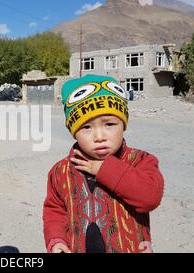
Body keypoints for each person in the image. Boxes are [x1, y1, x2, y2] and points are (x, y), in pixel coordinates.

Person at [43, 74, 164, 253]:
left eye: (109, 124)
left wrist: (105, 169)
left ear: (123, 124)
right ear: (73, 131)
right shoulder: (61, 171)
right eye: (86, 127)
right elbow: (55, 209)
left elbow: (150, 198)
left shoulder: (140, 161)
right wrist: (56, 239)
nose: (99, 136)